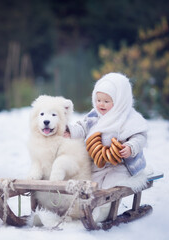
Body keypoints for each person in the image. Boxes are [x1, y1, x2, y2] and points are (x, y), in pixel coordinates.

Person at [65, 72, 149, 222]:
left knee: (111, 186)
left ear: (119, 101)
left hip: (121, 164)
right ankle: (84, 207)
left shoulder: (129, 118)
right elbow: (82, 127)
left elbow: (140, 137)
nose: (101, 105)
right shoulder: (95, 116)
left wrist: (130, 147)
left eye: (106, 101)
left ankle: (105, 211)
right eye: (98, 100)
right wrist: (69, 131)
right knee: (91, 183)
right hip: (98, 162)